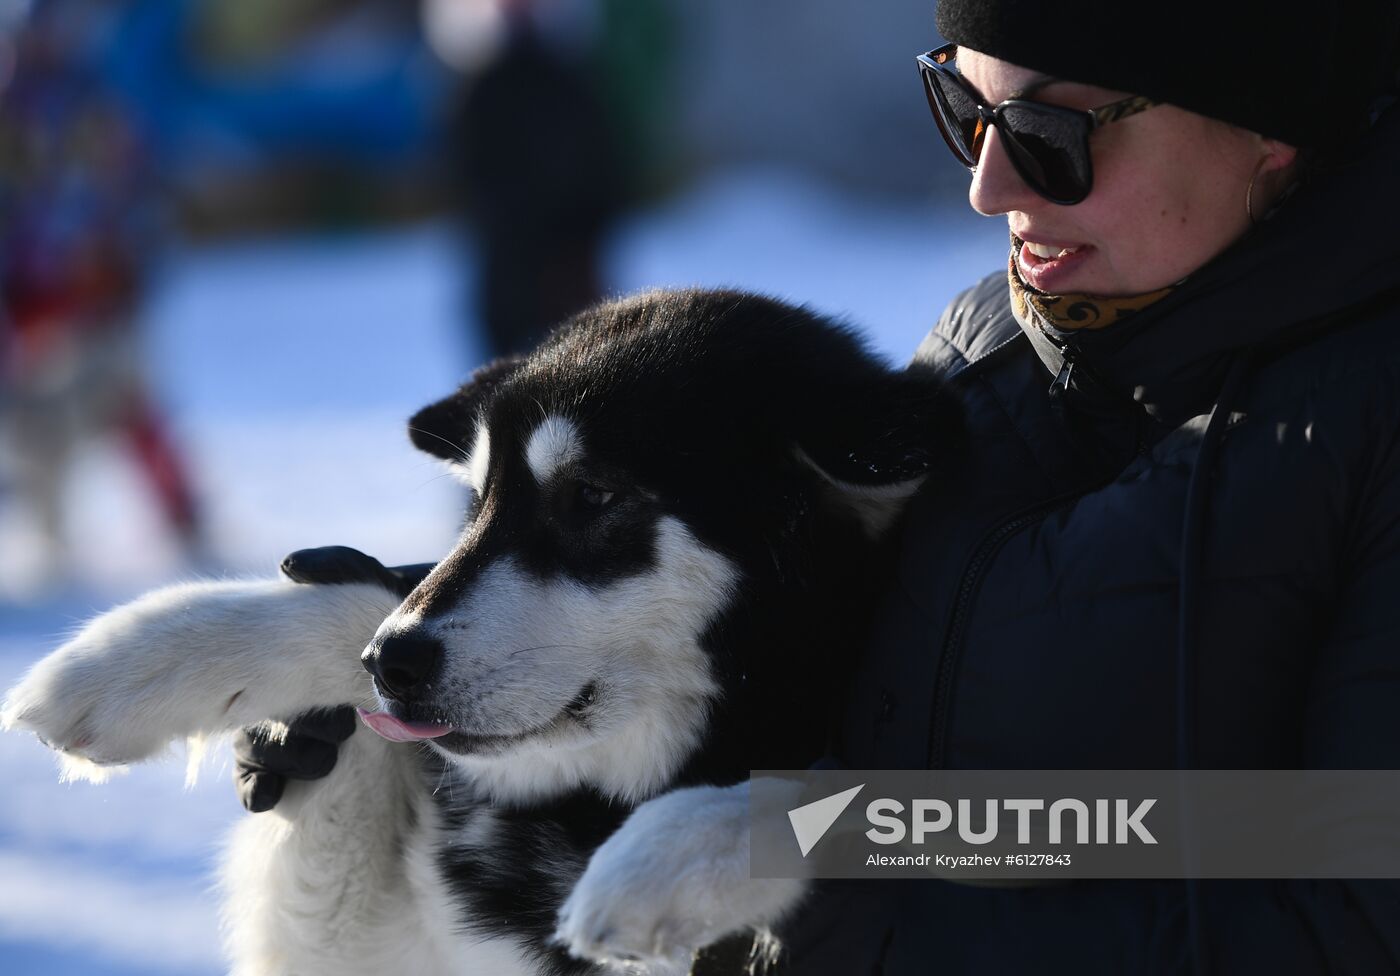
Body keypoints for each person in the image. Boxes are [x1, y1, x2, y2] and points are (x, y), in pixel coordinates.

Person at [236, 0, 1400, 972]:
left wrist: (828, 859)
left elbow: (1351, 873)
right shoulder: (990, 345)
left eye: (1050, 132)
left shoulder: (1366, 424)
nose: (988, 188)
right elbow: (792, 662)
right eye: (965, 112)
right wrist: (474, 643)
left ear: (1268, 130)